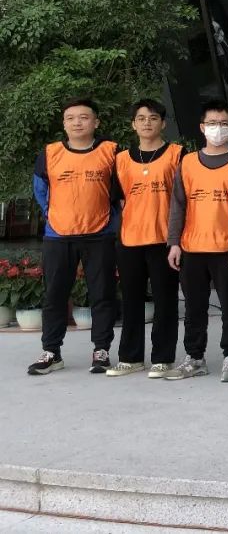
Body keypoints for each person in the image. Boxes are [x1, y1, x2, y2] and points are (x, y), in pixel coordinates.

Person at [165, 99, 228, 383]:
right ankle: (194, 357)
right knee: (194, 307)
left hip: (227, 247)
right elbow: (178, 204)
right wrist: (174, 242)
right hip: (192, 247)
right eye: (213, 123)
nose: (218, 128)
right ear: (202, 127)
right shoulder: (188, 162)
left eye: (224, 123)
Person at [27, 98, 119, 376]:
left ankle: (101, 350)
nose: (77, 122)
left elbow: (120, 192)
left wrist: (111, 221)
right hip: (58, 236)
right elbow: (40, 190)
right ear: (64, 124)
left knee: (102, 294)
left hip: (99, 234)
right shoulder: (50, 153)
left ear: (96, 122)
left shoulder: (111, 151)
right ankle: (51, 352)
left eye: (84, 117)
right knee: (54, 295)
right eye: (70, 118)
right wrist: (54, 216)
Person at [106, 99, 184, 379]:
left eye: (153, 118)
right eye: (141, 118)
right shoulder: (121, 159)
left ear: (163, 123)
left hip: (164, 239)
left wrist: (177, 239)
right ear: (133, 125)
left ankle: (163, 358)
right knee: (131, 300)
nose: (147, 123)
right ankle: (130, 357)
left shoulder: (177, 154)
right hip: (130, 239)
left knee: (165, 301)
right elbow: (119, 199)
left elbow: (184, 198)